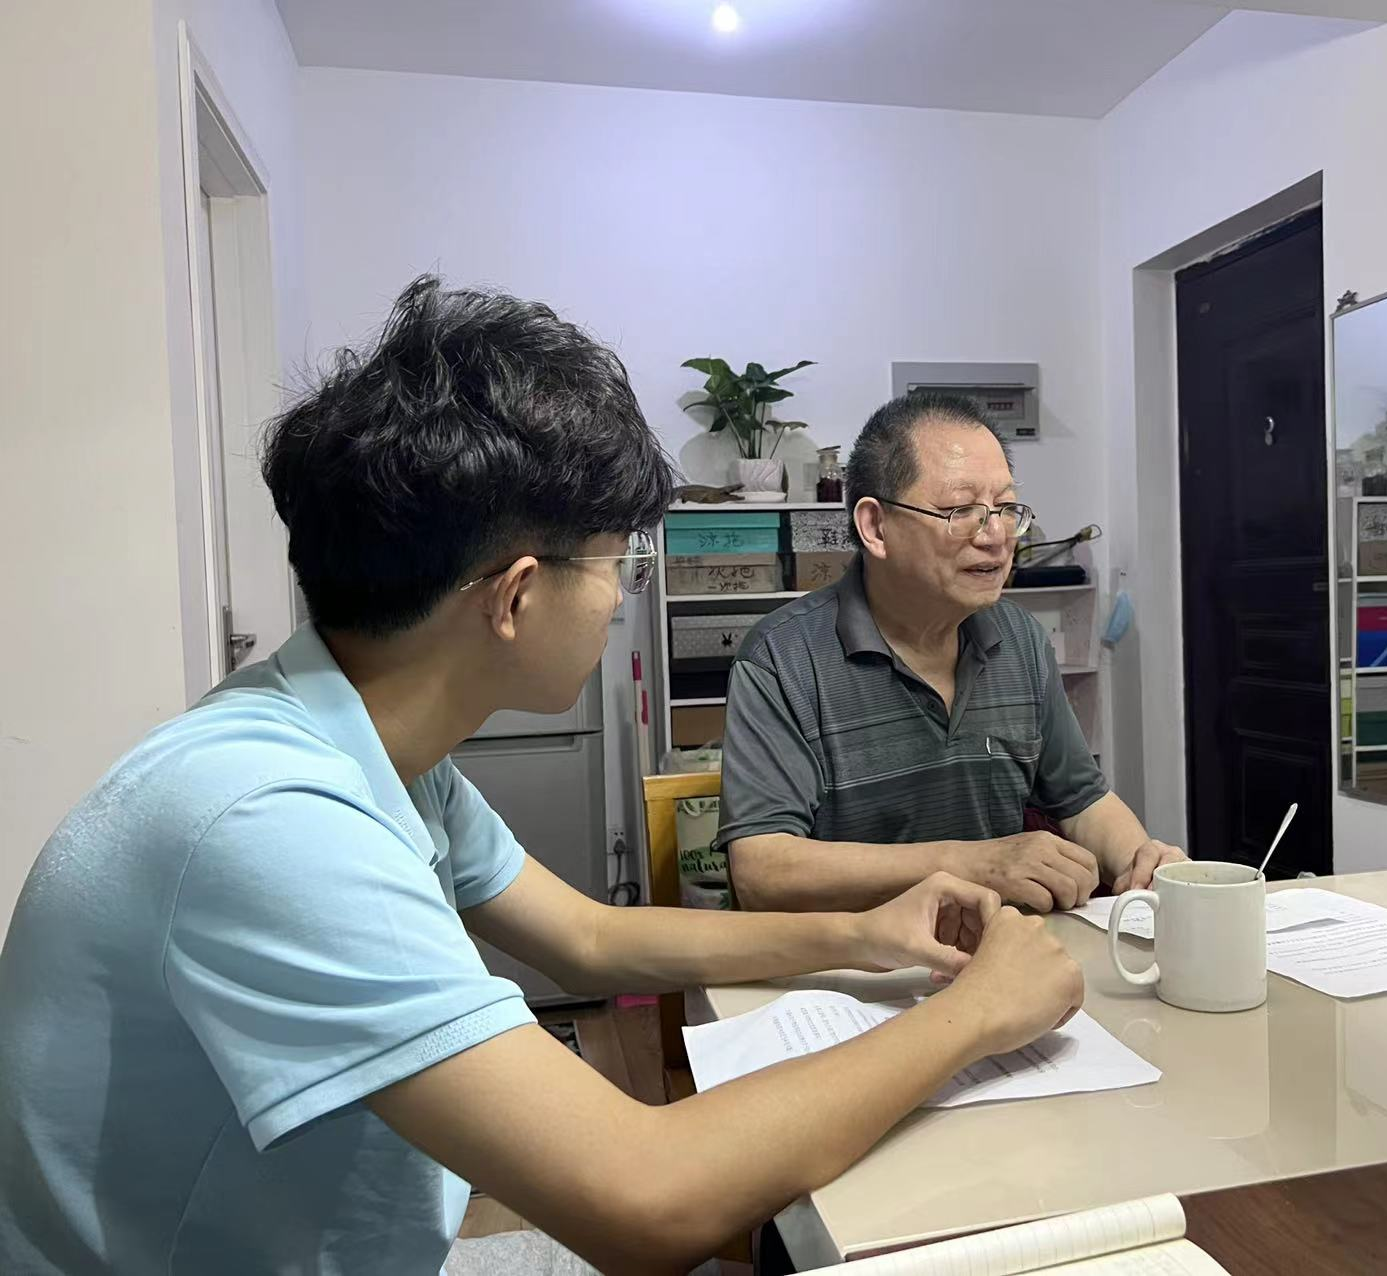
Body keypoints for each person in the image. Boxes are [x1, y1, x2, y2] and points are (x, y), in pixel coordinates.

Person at [0, 279, 1084, 1275]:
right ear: (516, 595)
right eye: (617, 564)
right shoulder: (269, 822)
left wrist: (865, 933)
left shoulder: (367, 749)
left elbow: (592, 939)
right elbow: (645, 1201)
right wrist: (973, 1016)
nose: (620, 599)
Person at [718, 393, 1187, 914]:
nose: (996, 537)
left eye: (1005, 509)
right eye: (962, 511)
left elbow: (1082, 802)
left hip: (1003, 948)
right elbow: (762, 870)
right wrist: (969, 864)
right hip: (853, 960)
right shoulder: (783, 658)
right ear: (875, 527)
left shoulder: (1020, 640)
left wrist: (1142, 861)